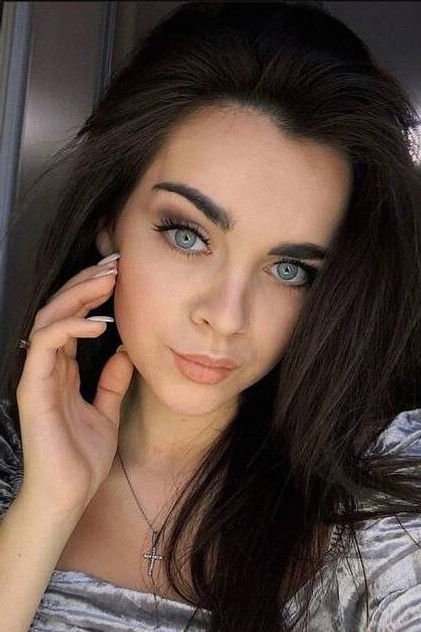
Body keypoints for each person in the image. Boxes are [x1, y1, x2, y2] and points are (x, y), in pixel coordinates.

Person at [0, 1, 420, 631]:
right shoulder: (13, 460)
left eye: (289, 269)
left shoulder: (384, 494)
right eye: (188, 235)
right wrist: (48, 504)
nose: (226, 318)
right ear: (109, 219)